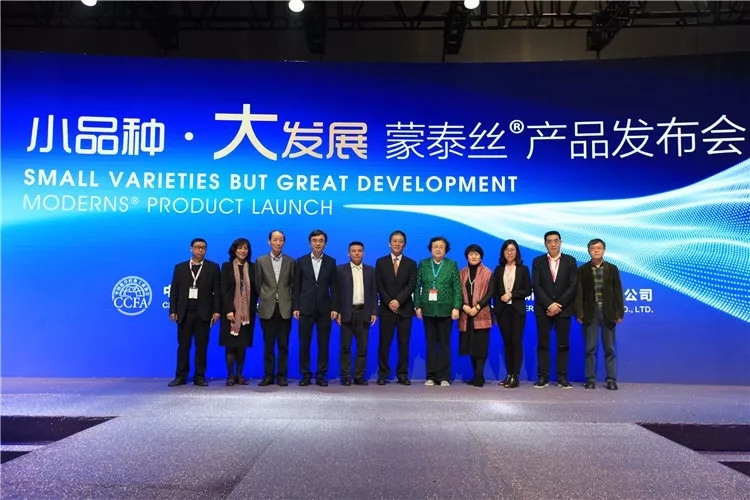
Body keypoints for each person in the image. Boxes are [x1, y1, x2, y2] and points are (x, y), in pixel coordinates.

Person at [168, 238, 221, 387]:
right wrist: (173, 309)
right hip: (184, 313)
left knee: (201, 346)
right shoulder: (180, 267)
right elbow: (174, 291)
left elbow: (217, 292)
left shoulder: (213, 267)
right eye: (197, 247)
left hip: (204, 313)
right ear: (191, 249)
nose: (200, 250)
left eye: (203, 248)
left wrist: (217, 311)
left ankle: (199, 376)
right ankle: (181, 376)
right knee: (183, 346)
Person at [574, 238, 625, 390]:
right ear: (588, 251)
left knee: (609, 348)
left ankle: (611, 380)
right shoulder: (582, 270)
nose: (596, 250)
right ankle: (590, 379)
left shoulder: (612, 268)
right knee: (590, 348)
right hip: (590, 313)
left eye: (599, 248)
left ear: (604, 250)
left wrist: (619, 312)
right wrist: (579, 313)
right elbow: (579, 293)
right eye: (593, 248)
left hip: (608, 312)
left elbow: (617, 291)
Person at [531, 231, 578, 389]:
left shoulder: (570, 261)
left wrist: (558, 305)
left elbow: (573, 285)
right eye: (549, 241)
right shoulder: (538, 261)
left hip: (563, 309)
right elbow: (536, 285)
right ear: (545, 243)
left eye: (556, 241)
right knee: (543, 344)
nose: (553, 244)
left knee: (563, 345)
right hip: (543, 309)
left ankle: (562, 377)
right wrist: (549, 304)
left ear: (560, 242)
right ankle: (542, 377)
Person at [293, 229, 339, 387]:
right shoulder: (301, 261)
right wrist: (296, 306)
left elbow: (335, 288)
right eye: (315, 240)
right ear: (310, 243)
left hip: (324, 309)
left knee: (323, 344)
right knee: (304, 344)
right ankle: (305, 374)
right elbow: (296, 286)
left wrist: (335, 308)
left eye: (321, 240)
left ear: (325, 243)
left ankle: (321, 375)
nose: (318, 243)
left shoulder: (331, 262)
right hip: (305, 308)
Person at [414, 236, 462, 387]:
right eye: (435, 246)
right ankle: (431, 376)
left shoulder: (451, 264)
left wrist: (456, 307)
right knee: (431, 345)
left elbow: (457, 288)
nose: (438, 249)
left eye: (441, 247)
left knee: (444, 345)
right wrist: (417, 305)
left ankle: (444, 377)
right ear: (431, 249)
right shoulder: (423, 264)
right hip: (427, 310)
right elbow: (417, 286)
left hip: (446, 311)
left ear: (446, 249)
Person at [375, 230, 417, 386]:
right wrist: (389, 302)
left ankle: (402, 374)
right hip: (386, 309)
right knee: (384, 343)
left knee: (403, 344)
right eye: (395, 241)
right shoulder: (381, 262)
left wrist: (398, 301)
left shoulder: (411, 263)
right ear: (389, 243)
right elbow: (379, 285)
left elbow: (411, 285)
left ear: (404, 244)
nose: (397, 244)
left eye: (400, 241)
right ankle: (382, 374)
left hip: (404, 309)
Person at [255, 230, 295, 387]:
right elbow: (258, 284)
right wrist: (265, 298)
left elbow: (293, 285)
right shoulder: (260, 261)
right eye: (275, 240)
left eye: (281, 240)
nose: (278, 243)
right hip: (267, 307)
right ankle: (268, 375)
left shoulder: (290, 261)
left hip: (285, 308)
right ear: (269, 241)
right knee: (268, 344)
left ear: (284, 242)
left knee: (283, 345)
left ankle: (282, 376)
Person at [336, 241, 378, 386]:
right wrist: (338, 311)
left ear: (363, 253)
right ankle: (346, 376)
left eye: (359, 251)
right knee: (345, 347)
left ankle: (359, 376)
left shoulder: (371, 271)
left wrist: (374, 311)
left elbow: (374, 292)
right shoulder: (340, 270)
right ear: (348, 253)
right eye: (353, 251)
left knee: (362, 348)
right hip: (346, 312)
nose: (356, 253)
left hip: (364, 312)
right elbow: (336, 293)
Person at [493, 239, 532, 388]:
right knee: (507, 343)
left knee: (516, 342)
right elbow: (495, 291)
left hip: (517, 310)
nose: (509, 253)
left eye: (512, 250)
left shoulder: (523, 269)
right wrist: (495, 311)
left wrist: (512, 294)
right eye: (507, 250)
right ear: (503, 252)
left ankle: (515, 376)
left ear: (517, 252)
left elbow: (528, 290)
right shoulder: (499, 269)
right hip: (503, 311)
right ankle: (509, 374)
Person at [220, 238, 258, 386]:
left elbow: (256, 290)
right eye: (240, 248)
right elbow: (224, 290)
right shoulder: (226, 266)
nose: (243, 251)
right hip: (231, 313)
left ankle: (240, 375)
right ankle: (230, 376)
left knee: (242, 346)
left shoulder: (253, 267)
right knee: (230, 345)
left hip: (247, 314)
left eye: (246, 248)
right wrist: (229, 310)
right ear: (234, 250)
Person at [458, 244, 495, 388]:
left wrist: (477, 307)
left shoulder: (488, 272)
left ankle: (479, 376)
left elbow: (490, 292)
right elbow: (457, 293)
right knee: (471, 347)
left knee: (481, 346)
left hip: (481, 313)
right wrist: (464, 307)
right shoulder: (461, 273)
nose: (473, 257)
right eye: (471, 254)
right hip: (466, 314)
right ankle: (476, 375)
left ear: (481, 256)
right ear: (467, 256)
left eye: (476, 254)